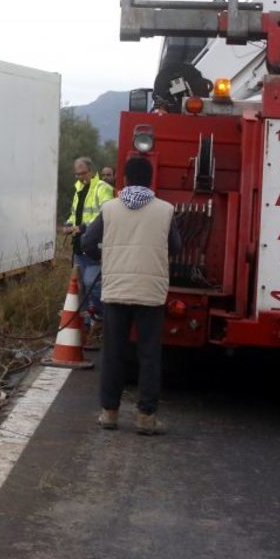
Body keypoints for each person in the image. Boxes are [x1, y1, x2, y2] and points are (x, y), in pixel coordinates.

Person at [80, 156, 181, 435]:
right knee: (149, 355)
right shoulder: (165, 210)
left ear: (123, 180)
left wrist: (107, 256)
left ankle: (109, 413)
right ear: (151, 180)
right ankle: (145, 418)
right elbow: (175, 246)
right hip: (151, 294)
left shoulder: (110, 209)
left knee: (114, 353)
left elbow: (88, 242)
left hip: (116, 290)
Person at [61, 157, 114, 348]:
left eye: (82, 173)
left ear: (91, 171)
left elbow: (106, 216)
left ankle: (100, 319)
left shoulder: (102, 188)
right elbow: (76, 213)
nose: (79, 176)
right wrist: (69, 224)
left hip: (93, 249)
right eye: (76, 173)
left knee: (93, 283)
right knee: (80, 289)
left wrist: (83, 228)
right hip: (79, 248)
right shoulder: (79, 189)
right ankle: (83, 331)